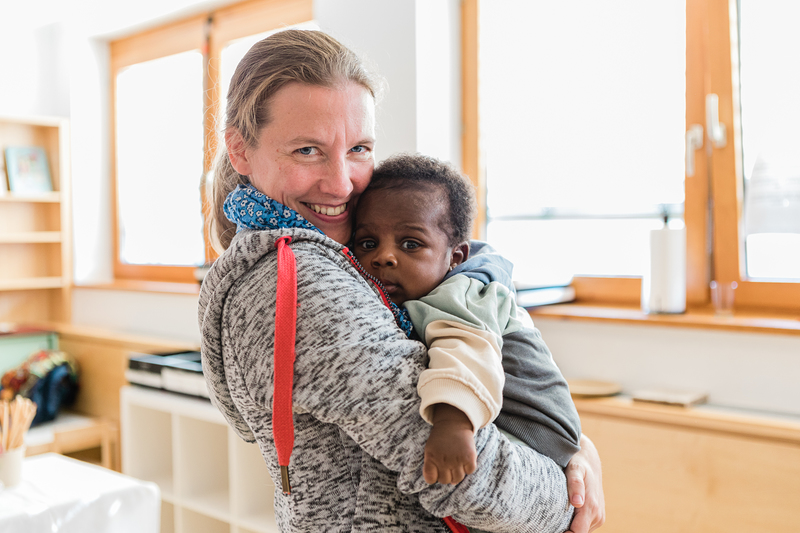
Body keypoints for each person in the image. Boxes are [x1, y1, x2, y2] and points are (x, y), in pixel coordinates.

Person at [199, 28, 605, 533]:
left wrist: (569, 441)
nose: (341, 182)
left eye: (359, 148)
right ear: (240, 151)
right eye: (307, 150)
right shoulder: (303, 285)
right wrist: (569, 486)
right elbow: (467, 477)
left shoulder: (340, 257)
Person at [351, 153, 581, 486]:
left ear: (454, 257)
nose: (384, 256)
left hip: (533, 430)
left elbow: (467, 350)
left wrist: (452, 424)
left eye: (411, 244)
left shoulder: (461, 293)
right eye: (368, 243)